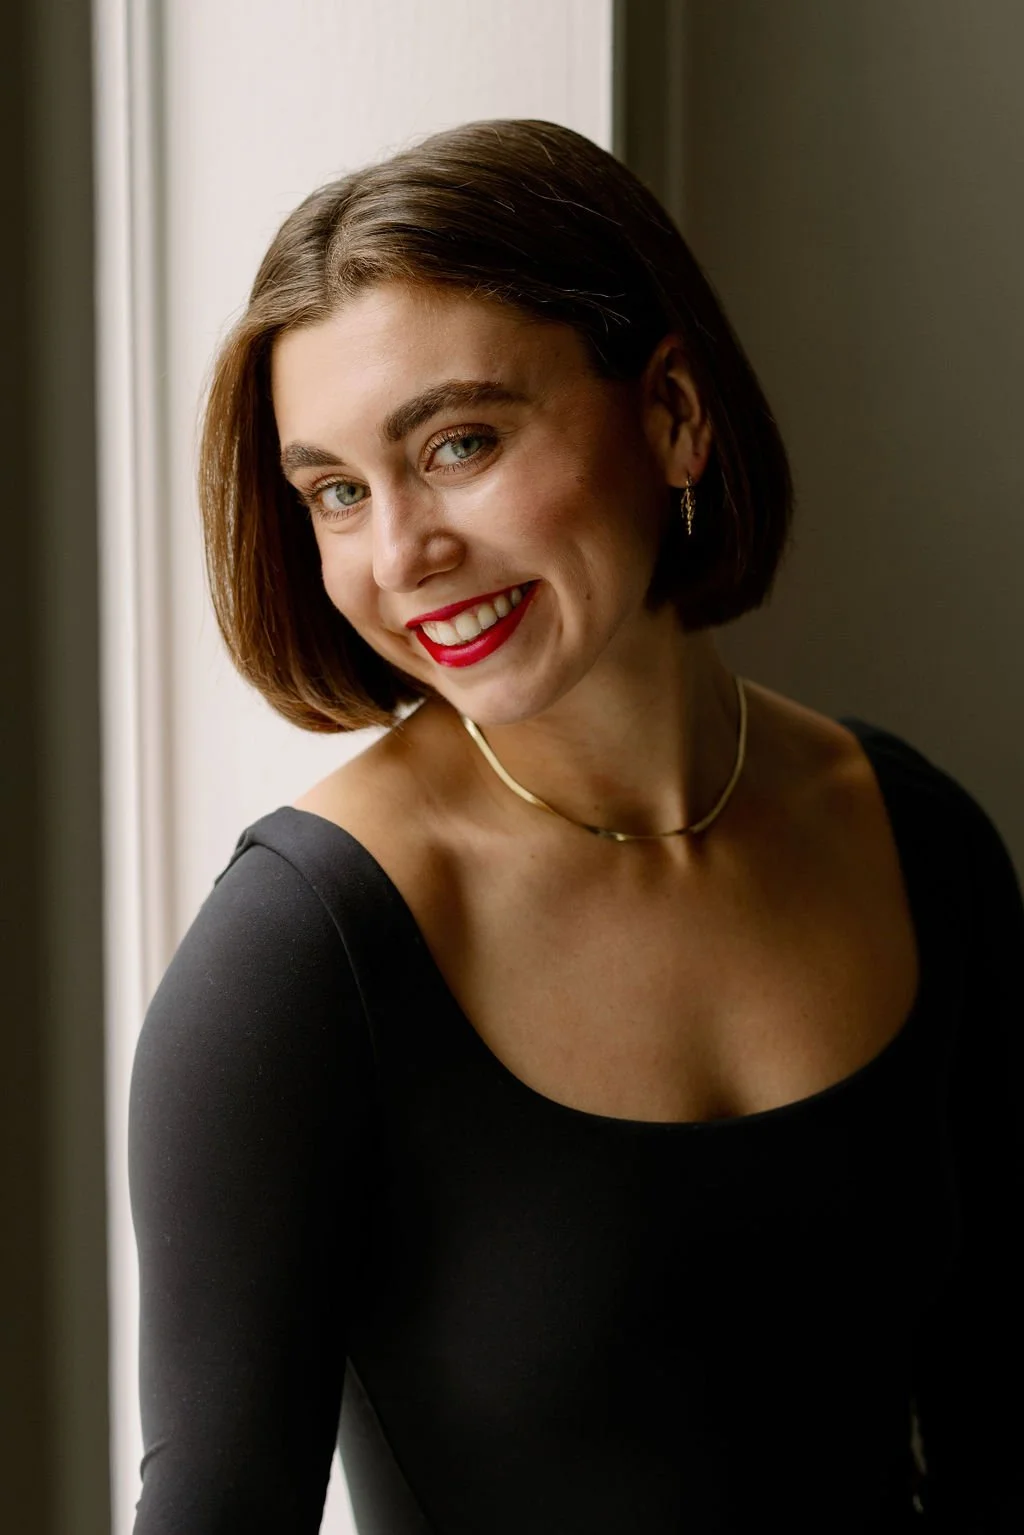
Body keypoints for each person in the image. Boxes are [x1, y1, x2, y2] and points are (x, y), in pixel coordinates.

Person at [128, 118, 1023, 1533]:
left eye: (460, 442)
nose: (400, 549)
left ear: (671, 412)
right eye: (338, 490)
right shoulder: (303, 956)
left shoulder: (918, 839)